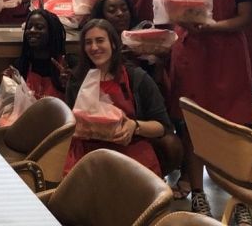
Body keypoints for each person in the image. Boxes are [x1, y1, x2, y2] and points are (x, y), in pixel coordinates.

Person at [169, 0, 252, 216]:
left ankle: (239, 198)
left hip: (227, 53)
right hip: (191, 52)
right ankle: (197, 193)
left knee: (235, 127)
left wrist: (214, 27)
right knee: (191, 126)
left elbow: (246, 17)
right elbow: (167, 5)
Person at [64, 19, 173, 178]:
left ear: (113, 44)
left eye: (100, 41)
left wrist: (134, 126)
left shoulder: (137, 78)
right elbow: (69, 123)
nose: (94, 47)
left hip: (131, 154)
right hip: (87, 155)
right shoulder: (77, 80)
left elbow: (163, 126)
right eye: (88, 42)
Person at [15, 9, 72, 99]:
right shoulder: (22, 65)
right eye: (29, 27)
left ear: (52, 32)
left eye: (39, 27)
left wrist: (70, 85)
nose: (32, 30)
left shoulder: (68, 64)